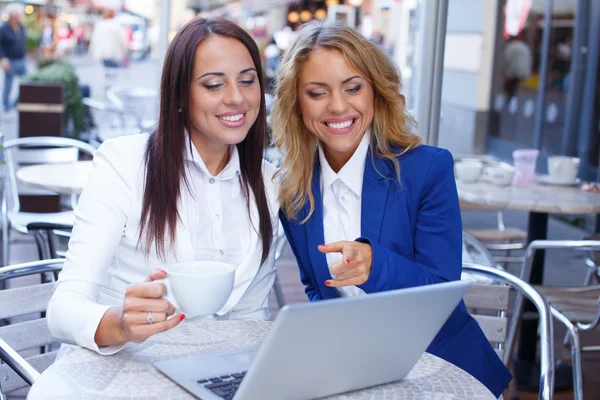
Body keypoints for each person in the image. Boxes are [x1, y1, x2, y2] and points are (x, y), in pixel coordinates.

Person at [272, 22, 512, 398]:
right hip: (353, 373)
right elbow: (316, 287)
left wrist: (374, 264)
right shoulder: (293, 190)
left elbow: (443, 291)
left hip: (439, 367)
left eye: (353, 88)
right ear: (297, 104)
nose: (338, 106)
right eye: (317, 93)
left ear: (375, 92)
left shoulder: (427, 169)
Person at [47, 17, 279, 356]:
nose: (237, 98)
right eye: (214, 85)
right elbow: (62, 310)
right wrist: (121, 324)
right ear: (180, 93)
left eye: (248, 81)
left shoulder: (269, 184)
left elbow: (251, 318)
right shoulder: (124, 163)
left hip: (216, 378)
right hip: (123, 375)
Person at [88, 8, 128, 86]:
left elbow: (94, 39)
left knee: (107, 69)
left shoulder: (100, 25)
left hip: (103, 53)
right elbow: (122, 40)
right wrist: (124, 51)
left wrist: (92, 51)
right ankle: (111, 85)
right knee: (112, 70)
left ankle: (109, 84)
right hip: (114, 53)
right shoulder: (117, 26)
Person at [0, 3, 27, 116]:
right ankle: (6, 107)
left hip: (21, 60)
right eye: (19, 14)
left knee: (27, 83)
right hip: (10, 60)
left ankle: (15, 104)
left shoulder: (21, 28)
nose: (21, 16)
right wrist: (2, 59)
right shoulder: (4, 29)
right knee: (8, 85)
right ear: (13, 15)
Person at [503, 34, 532, 98]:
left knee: (510, 85)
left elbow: (506, 59)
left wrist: (504, 71)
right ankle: (513, 97)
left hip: (513, 71)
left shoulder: (510, 46)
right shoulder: (525, 47)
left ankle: (510, 97)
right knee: (515, 84)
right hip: (523, 70)